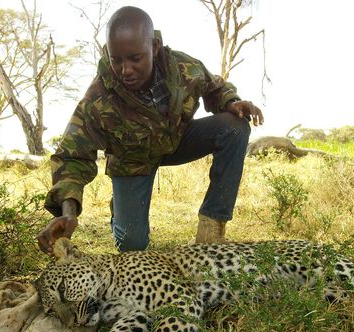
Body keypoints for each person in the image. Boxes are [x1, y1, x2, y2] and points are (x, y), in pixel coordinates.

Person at [37, 6, 264, 254]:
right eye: (117, 60)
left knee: (234, 126)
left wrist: (231, 102)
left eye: (135, 58)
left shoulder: (184, 68)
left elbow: (215, 87)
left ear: (154, 47)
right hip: (132, 162)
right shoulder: (98, 98)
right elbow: (71, 156)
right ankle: (122, 210)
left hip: (176, 143)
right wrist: (68, 213)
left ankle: (211, 229)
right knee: (132, 247)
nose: (126, 70)